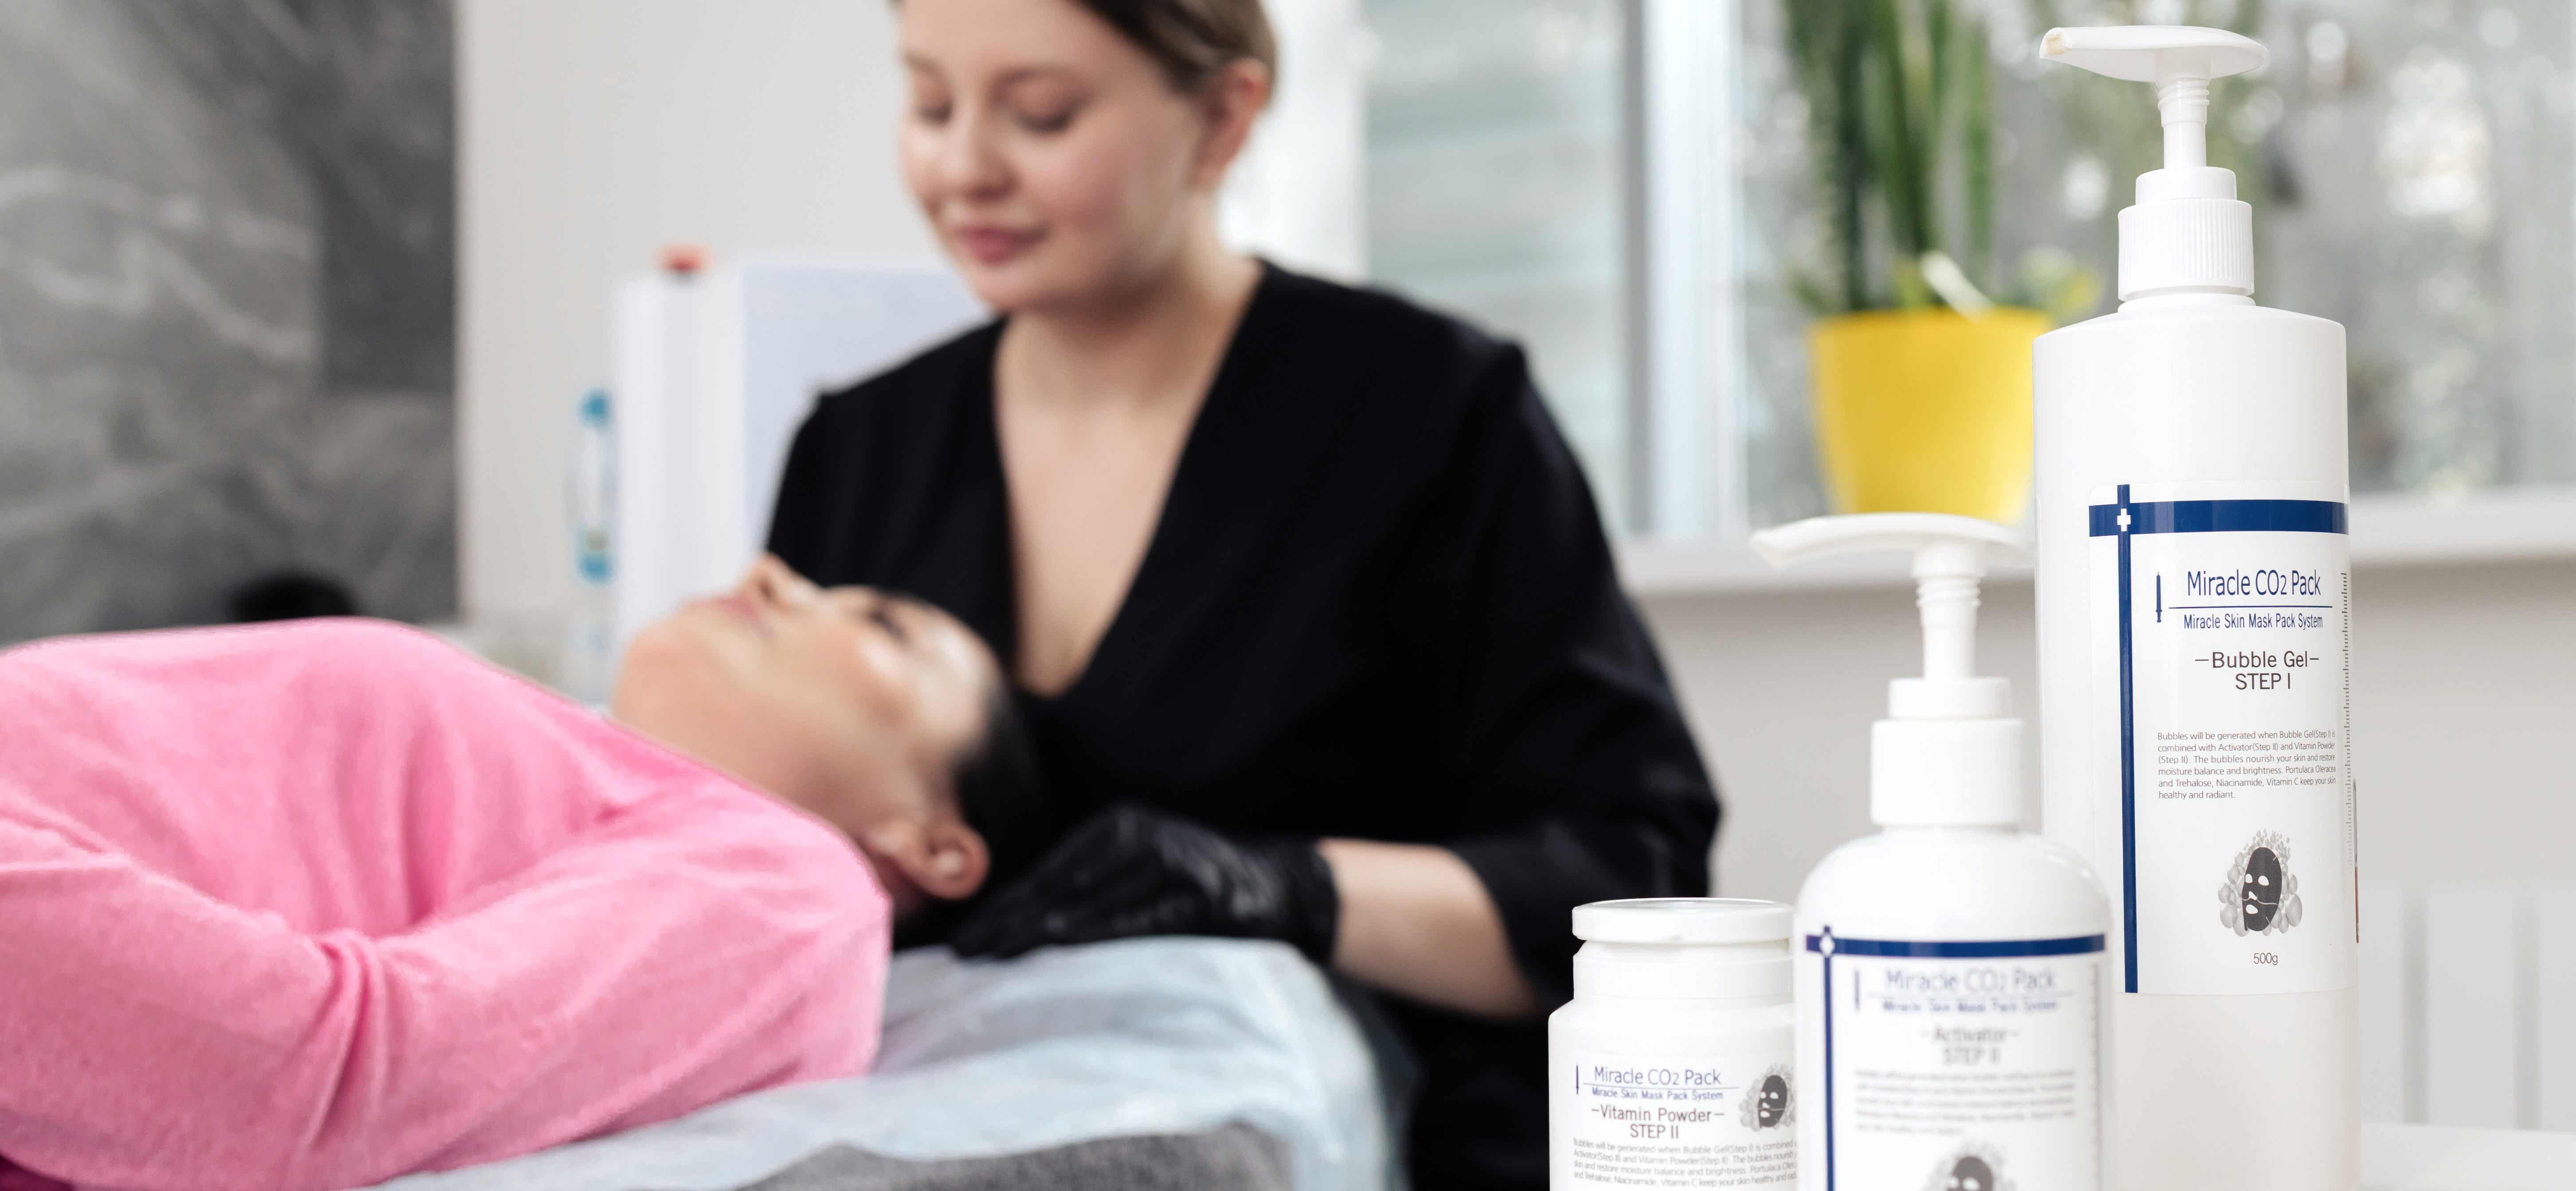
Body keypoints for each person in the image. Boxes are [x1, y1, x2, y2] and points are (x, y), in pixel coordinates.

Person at [765, 0, 1720, 1185]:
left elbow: (1634, 882)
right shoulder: (858, 453)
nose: (964, 168)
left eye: (1041, 114)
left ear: (1222, 118)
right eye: (929, 103)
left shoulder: (1427, 414)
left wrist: (1295, 888)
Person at [0, 557, 999, 1191]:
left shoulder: (801, 886)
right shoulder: (577, 778)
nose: (773, 573)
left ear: (935, 846)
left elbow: (322, 1083)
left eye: (884, 625)